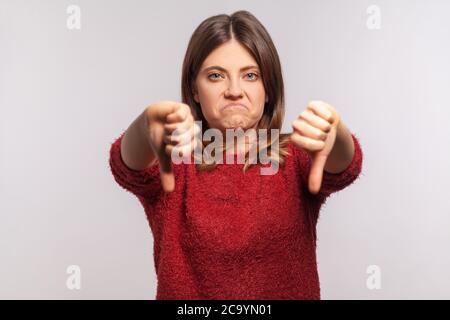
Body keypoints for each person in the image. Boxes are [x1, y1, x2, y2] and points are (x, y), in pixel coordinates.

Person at [108, 10, 363, 300]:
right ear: (194, 88)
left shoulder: (295, 157)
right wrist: (144, 127)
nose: (234, 91)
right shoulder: (175, 160)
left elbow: (344, 165)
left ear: (268, 89)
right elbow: (127, 165)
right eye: (216, 76)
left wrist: (336, 132)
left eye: (250, 75)